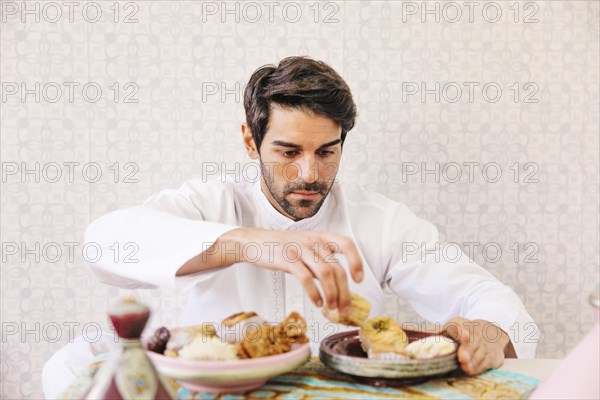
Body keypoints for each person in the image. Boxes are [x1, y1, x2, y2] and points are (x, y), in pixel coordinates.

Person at [43, 56, 538, 398]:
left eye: (327, 151)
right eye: (287, 151)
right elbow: (103, 243)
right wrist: (251, 245)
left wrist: (489, 329)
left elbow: (488, 299)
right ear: (250, 140)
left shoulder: (381, 220)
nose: (309, 174)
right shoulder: (210, 201)